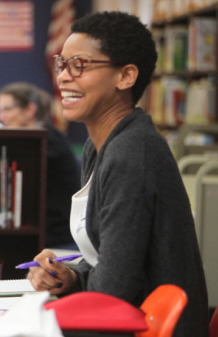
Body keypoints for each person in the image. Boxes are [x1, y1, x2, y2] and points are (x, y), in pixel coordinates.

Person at [26, 11, 208, 336]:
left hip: (149, 327)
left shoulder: (131, 152)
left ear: (125, 76)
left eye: (79, 65)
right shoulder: (101, 147)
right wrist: (70, 276)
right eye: (61, 64)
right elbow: (108, 259)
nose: (63, 77)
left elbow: (113, 291)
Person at [0, 83, 80, 249]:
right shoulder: (42, 137)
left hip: (53, 239)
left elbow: (9, 145)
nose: (1, 117)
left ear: (30, 109)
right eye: (0, 110)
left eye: (7, 109)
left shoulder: (49, 140)